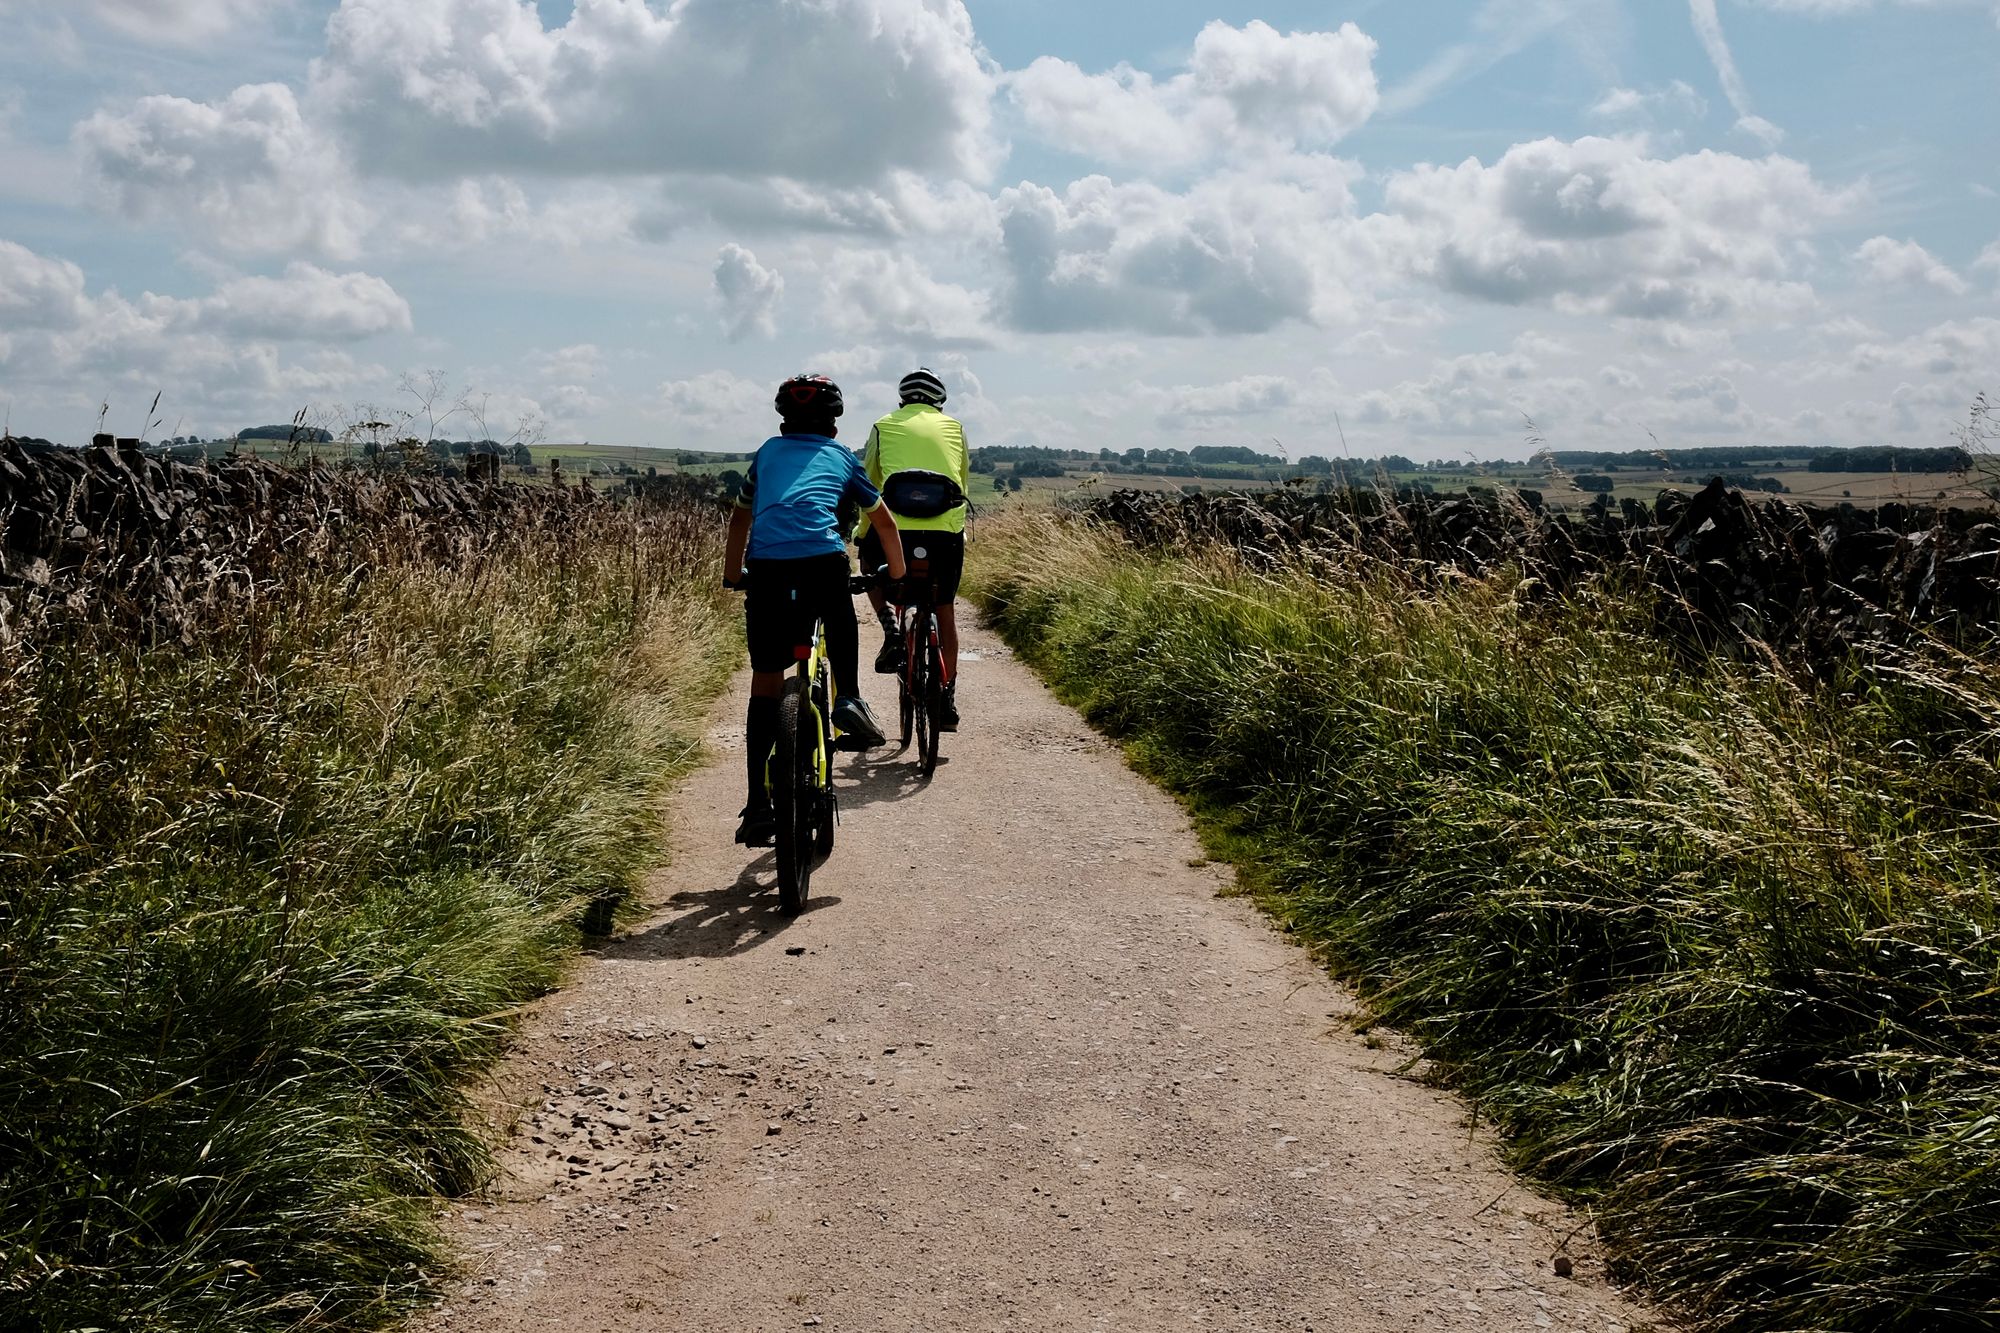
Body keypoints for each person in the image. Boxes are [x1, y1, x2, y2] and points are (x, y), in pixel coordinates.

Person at [724, 374, 906, 846]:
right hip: (823, 560)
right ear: (835, 420)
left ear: (784, 418)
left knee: (765, 680)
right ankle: (848, 696)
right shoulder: (843, 459)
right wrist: (898, 574)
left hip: (765, 569)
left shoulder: (766, 454)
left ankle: (758, 806)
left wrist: (732, 575)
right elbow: (881, 519)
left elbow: (741, 516)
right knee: (840, 615)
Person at [857, 367, 971, 730]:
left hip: (895, 531)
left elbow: (869, 484)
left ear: (902, 399)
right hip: (944, 535)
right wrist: (957, 530)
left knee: (868, 566)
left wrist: (863, 533)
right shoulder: (955, 427)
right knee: (945, 609)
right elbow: (962, 483)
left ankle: (891, 628)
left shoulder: (882, 425)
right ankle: (947, 696)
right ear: (940, 400)